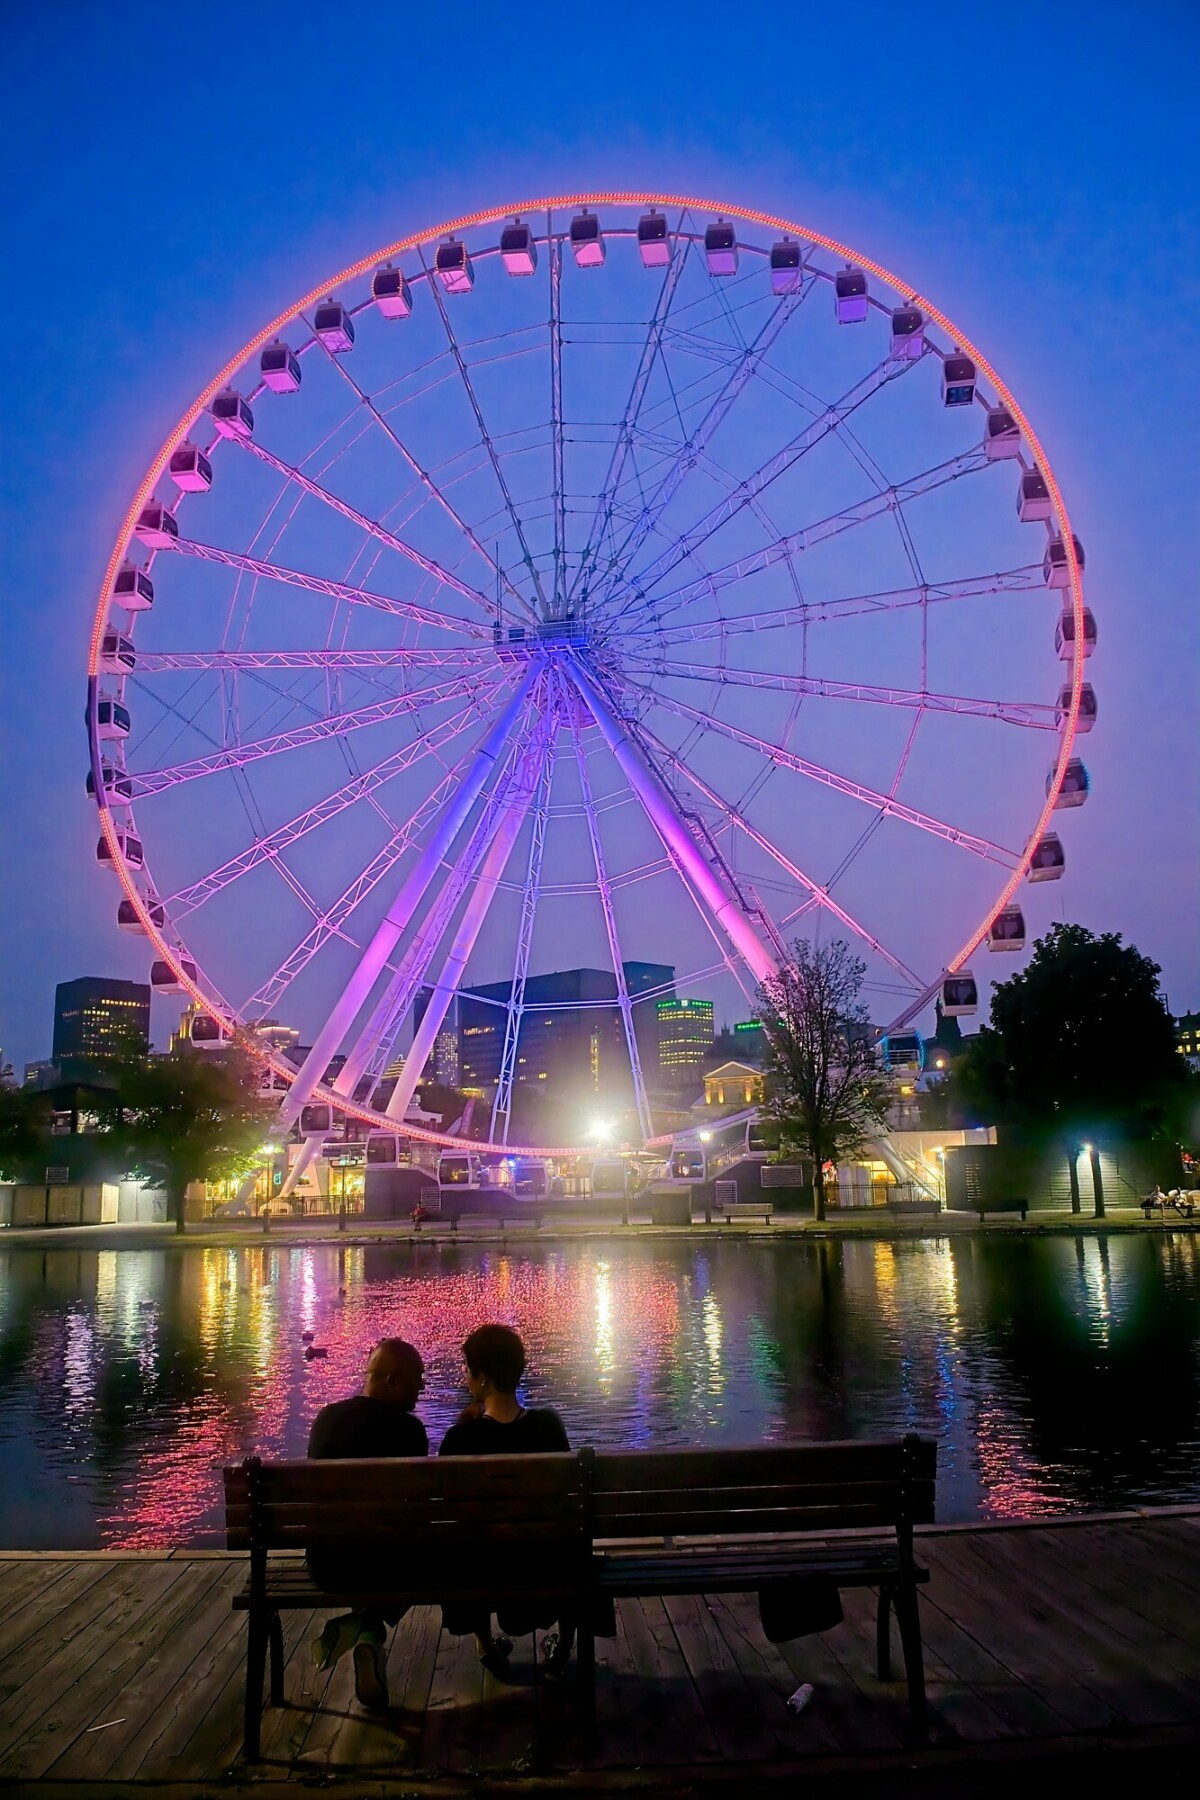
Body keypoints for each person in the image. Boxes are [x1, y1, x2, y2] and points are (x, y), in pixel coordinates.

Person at [438, 1323, 575, 1678]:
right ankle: (563, 1643)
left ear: (482, 1378)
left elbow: (447, 1511)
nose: (466, 1377)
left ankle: (487, 1648)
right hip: (546, 1563)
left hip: (480, 1569)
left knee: (462, 1546)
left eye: (468, 1370)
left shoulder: (460, 1439)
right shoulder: (548, 1428)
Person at [306, 1337, 427, 1710]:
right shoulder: (409, 1432)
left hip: (327, 1566)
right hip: (392, 1568)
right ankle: (366, 1627)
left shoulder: (326, 1420)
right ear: (391, 1380)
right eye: (416, 1380)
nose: (421, 1388)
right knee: (435, 1557)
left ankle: (365, 1629)